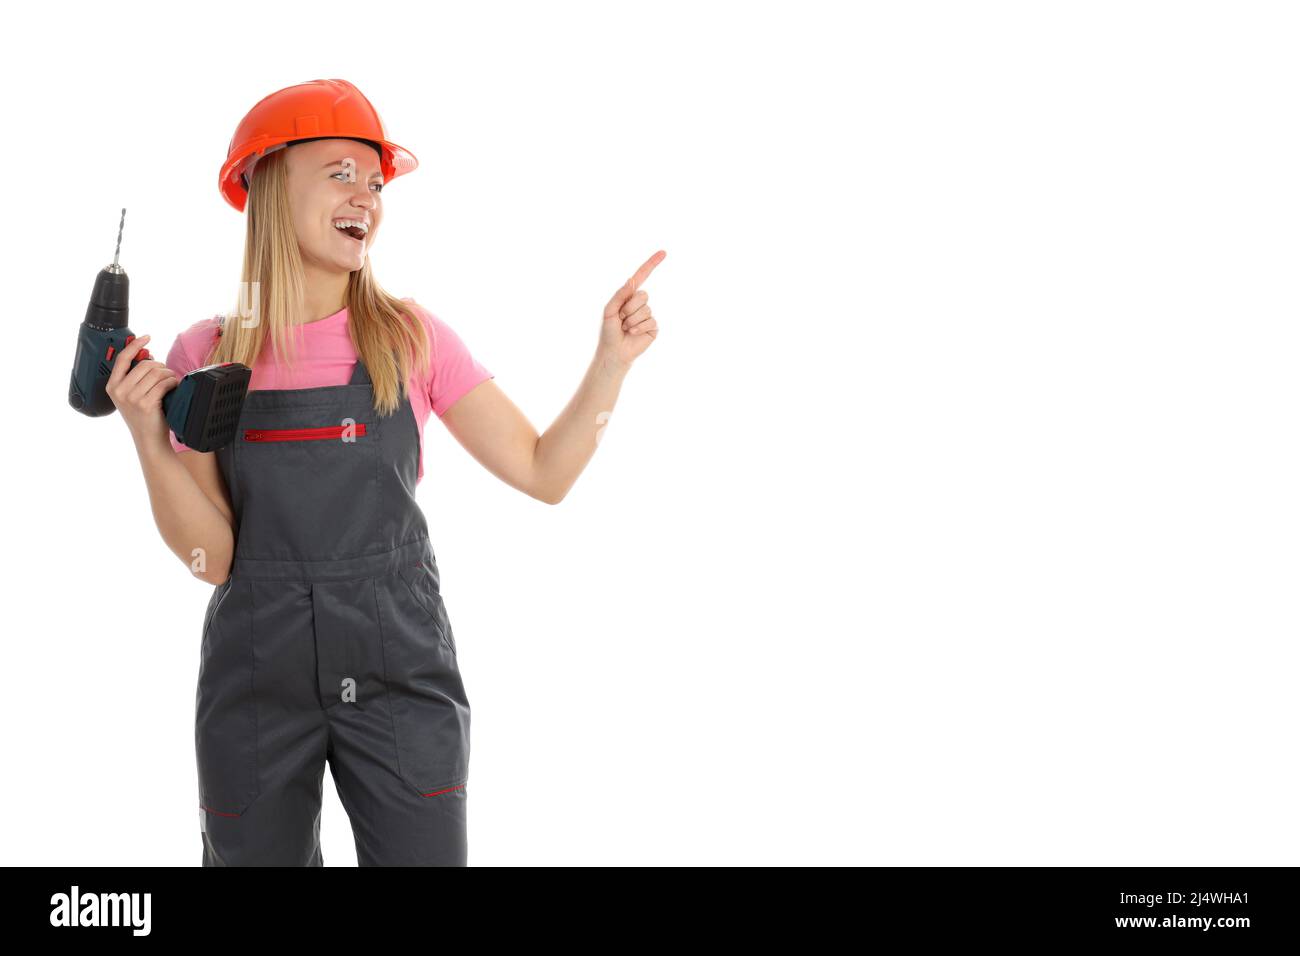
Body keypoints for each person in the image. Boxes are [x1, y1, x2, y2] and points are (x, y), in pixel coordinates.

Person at [103, 78, 664, 866]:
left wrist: (611, 363)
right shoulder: (209, 357)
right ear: (268, 181)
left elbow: (545, 471)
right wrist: (146, 434)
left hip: (397, 656)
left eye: (374, 181)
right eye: (339, 171)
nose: (365, 195)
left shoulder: (410, 339)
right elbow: (214, 560)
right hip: (257, 670)